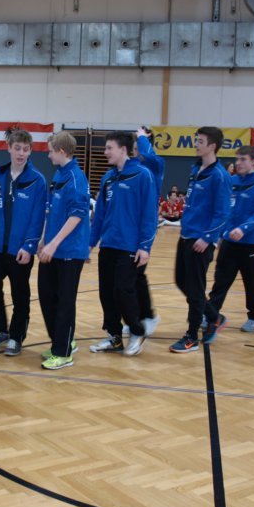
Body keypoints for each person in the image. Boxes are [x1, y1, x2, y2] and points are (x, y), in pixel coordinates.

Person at [88, 131, 157, 356]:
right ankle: (114, 336)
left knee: (123, 291)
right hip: (108, 245)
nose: (105, 152)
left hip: (130, 247)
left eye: (109, 148)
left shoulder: (143, 175)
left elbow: (149, 214)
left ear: (123, 150)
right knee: (106, 292)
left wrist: (144, 247)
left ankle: (137, 331)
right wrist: (90, 243)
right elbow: (99, 215)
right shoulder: (108, 178)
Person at [0, 129, 47, 356]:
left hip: (20, 251)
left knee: (20, 295)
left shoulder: (38, 180)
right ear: (8, 148)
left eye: (25, 149)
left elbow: (38, 218)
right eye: (17, 148)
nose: (21, 153)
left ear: (30, 152)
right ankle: (1, 330)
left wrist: (29, 246)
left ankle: (16, 337)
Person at [170, 127, 232, 354]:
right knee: (181, 281)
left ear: (212, 146)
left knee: (195, 289)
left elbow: (222, 213)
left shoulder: (220, 176)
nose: (196, 144)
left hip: (201, 239)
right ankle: (214, 317)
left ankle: (191, 336)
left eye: (200, 141)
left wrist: (208, 238)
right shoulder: (196, 169)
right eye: (196, 140)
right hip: (187, 234)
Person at [38, 131, 91, 370]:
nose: (48, 155)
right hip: (52, 249)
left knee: (64, 303)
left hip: (69, 251)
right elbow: (51, 211)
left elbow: (77, 215)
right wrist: (44, 239)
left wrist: (54, 243)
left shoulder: (77, 179)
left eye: (50, 151)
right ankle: (61, 341)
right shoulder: (59, 174)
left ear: (61, 151)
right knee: (47, 296)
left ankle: (63, 352)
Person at [206, 145, 254, 332]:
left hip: (250, 243)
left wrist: (243, 228)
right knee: (221, 280)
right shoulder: (231, 181)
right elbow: (224, 210)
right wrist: (220, 234)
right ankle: (211, 314)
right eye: (237, 159)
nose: (238, 163)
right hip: (229, 241)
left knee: (251, 282)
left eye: (243, 159)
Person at [133, 126, 166, 335]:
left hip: (144, 228)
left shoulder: (155, 165)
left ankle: (148, 316)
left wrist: (143, 138)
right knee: (129, 276)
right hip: (129, 226)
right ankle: (136, 317)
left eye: (139, 146)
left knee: (137, 273)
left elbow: (149, 156)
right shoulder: (133, 166)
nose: (135, 151)